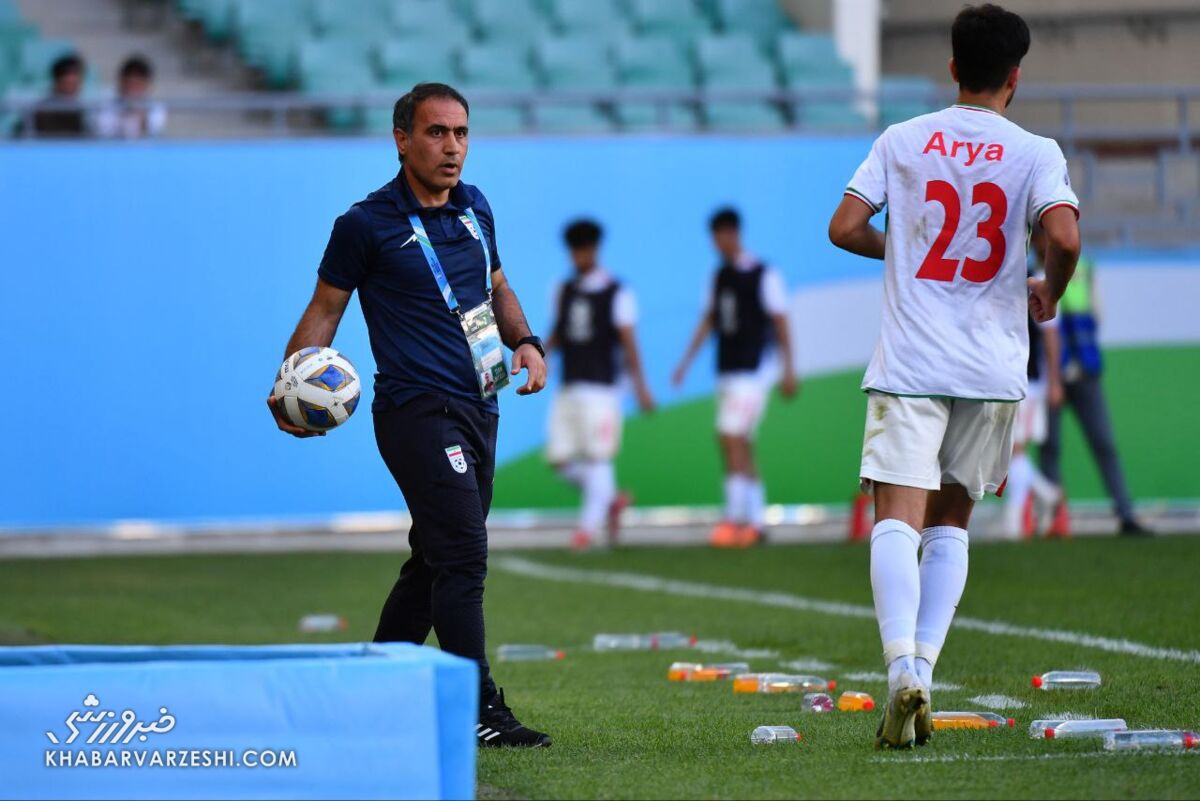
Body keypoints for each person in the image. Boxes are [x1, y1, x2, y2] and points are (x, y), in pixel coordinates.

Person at [267, 82, 551, 748]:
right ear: (401, 139)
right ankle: (476, 707)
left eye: (460, 133)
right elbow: (325, 312)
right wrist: (289, 386)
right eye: (436, 133)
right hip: (416, 412)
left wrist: (527, 343)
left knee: (432, 560)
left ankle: (366, 693)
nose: (451, 147)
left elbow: (497, 286)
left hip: (480, 404)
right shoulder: (364, 225)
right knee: (463, 554)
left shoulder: (476, 208)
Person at [827, 4, 1080, 749]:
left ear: (950, 67)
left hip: (912, 360)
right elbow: (1063, 235)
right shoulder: (1035, 150)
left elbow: (842, 225)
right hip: (990, 364)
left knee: (895, 518)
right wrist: (1050, 290)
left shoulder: (903, 139)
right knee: (951, 524)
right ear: (1015, 76)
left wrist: (901, 250)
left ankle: (900, 664)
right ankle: (926, 671)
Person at [672, 208, 798, 548]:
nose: (719, 241)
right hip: (728, 370)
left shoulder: (762, 273)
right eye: (715, 235)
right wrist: (685, 363)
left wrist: (788, 368)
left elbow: (781, 322)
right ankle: (754, 521)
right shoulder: (719, 277)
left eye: (724, 234)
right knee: (741, 442)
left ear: (735, 234)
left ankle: (735, 517)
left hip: (754, 370)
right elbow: (709, 321)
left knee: (729, 436)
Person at [545, 219, 655, 550]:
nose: (579, 255)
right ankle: (609, 500)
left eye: (584, 248)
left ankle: (586, 532)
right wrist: (539, 356)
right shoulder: (563, 290)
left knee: (598, 458)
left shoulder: (617, 291)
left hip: (603, 389)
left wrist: (640, 387)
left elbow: (629, 342)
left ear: (594, 249)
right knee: (559, 459)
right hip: (570, 384)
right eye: (574, 249)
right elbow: (559, 332)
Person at [1032, 227, 1150, 536]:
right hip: (1050, 378)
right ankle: (1054, 521)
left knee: (1103, 443)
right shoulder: (1032, 274)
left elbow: (1095, 314)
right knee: (1050, 449)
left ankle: (1125, 513)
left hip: (1084, 371)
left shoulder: (1083, 271)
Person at [1002, 259, 1063, 539]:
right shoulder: (1005, 278)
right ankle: (1046, 493)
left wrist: (1053, 382)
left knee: (1015, 451)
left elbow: (1050, 335)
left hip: (1027, 381)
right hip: (1007, 378)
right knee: (1010, 451)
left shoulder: (1036, 280)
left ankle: (1013, 522)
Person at [15, 54, 87, 138]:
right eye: (68, 84)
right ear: (57, 82)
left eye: (76, 84)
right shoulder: (40, 111)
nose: (73, 89)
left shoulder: (83, 110)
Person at [96, 55, 167, 139]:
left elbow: (154, 131)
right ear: (121, 82)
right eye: (129, 82)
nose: (133, 87)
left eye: (138, 83)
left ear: (147, 84)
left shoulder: (155, 106)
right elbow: (103, 131)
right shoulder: (106, 101)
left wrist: (139, 112)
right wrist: (124, 112)